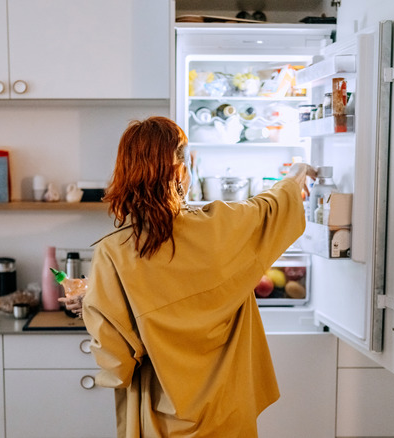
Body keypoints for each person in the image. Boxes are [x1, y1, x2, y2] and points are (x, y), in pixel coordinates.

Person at [66, 116, 316, 437]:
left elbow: (117, 364)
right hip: (229, 411)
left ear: (125, 173)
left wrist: (94, 302)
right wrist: (297, 172)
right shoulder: (224, 227)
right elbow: (273, 206)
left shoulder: (113, 253)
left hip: (162, 418)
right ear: (182, 171)